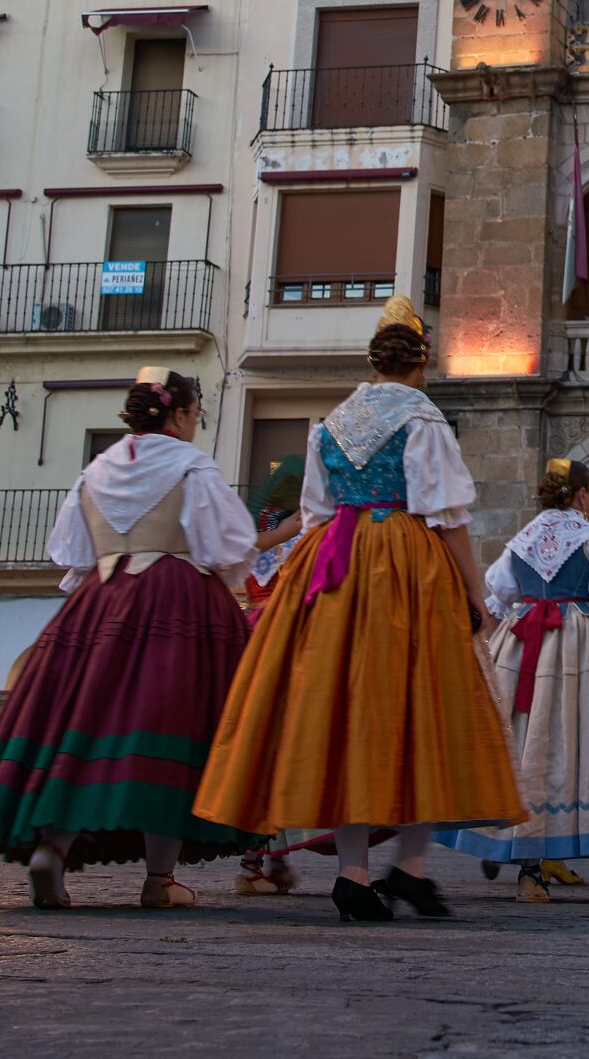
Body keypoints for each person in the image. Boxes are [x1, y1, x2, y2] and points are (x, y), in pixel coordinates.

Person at [193, 298, 522, 922]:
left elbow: (314, 513)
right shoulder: (424, 421)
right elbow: (447, 516)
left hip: (333, 565)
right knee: (431, 709)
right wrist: (474, 593)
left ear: (373, 365)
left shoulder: (333, 423)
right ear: (421, 366)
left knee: (345, 715)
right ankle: (413, 868)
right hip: (407, 565)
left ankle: (354, 875)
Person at [0, 368, 260, 909]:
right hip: (175, 599)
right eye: (195, 415)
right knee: (172, 732)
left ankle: (53, 847)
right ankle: (159, 879)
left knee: (85, 724)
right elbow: (226, 550)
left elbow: (72, 554)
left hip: (101, 599)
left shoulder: (94, 471)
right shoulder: (192, 465)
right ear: (182, 415)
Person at [436, 458, 589, 900]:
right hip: (582, 645)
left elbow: (497, 598)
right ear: (583, 494)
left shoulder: (523, 539)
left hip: (525, 643)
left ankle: (530, 873)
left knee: (531, 746)